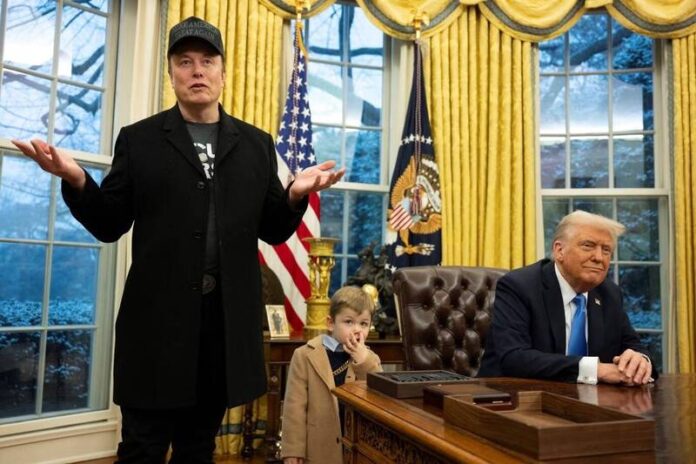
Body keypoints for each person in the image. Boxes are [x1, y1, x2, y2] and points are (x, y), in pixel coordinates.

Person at [11, 16, 344, 464]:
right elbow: (109, 223)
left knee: (197, 449)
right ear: (171, 74)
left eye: (207, 61)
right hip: (155, 328)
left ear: (223, 73)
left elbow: (272, 228)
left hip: (221, 329)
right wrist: (77, 179)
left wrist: (294, 196)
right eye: (185, 62)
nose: (197, 70)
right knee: (142, 449)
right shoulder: (139, 141)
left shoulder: (256, 145)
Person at [479, 210, 657, 386]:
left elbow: (634, 345)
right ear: (559, 250)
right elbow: (514, 358)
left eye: (606, 250)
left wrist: (640, 361)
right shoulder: (519, 286)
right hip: (510, 396)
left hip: (589, 399)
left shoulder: (609, 293)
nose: (599, 258)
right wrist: (596, 370)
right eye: (588, 246)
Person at [281, 286, 382, 464]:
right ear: (330, 323)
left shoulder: (370, 359)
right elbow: (294, 408)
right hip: (318, 448)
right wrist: (293, 449)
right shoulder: (304, 355)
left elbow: (380, 398)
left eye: (363, 324)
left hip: (357, 448)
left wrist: (363, 361)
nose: (357, 330)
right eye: (349, 322)